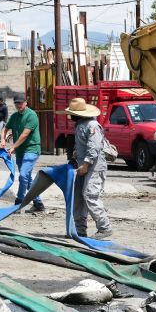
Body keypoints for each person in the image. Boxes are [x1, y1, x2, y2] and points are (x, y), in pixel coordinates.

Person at [61, 98, 112, 239]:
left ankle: (104, 227)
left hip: (93, 167)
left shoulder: (92, 125)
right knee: (78, 196)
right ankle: (80, 229)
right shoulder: (80, 125)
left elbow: (93, 147)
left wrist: (86, 164)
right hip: (82, 165)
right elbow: (80, 146)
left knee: (90, 195)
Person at [0, 94, 45, 213]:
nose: (19, 105)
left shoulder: (31, 115)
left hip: (31, 149)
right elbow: (5, 129)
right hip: (20, 151)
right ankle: (38, 203)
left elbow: (25, 134)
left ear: (26, 102)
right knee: (28, 178)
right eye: (17, 103)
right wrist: (3, 139)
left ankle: (19, 202)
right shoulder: (14, 116)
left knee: (23, 175)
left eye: (21, 103)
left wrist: (13, 146)